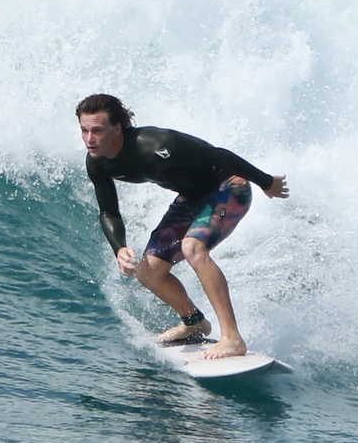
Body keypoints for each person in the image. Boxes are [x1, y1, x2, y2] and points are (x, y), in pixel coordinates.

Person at [76, 93, 288, 359]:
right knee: (147, 272)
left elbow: (217, 155)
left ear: (117, 128)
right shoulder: (97, 163)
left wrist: (266, 182)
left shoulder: (154, 144)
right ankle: (194, 322)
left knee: (193, 248)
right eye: (84, 130)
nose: (89, 139)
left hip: (228, 186)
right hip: (191, 200)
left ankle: (232, 338)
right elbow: (108, 210)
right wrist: (119, 248)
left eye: (97, 130)